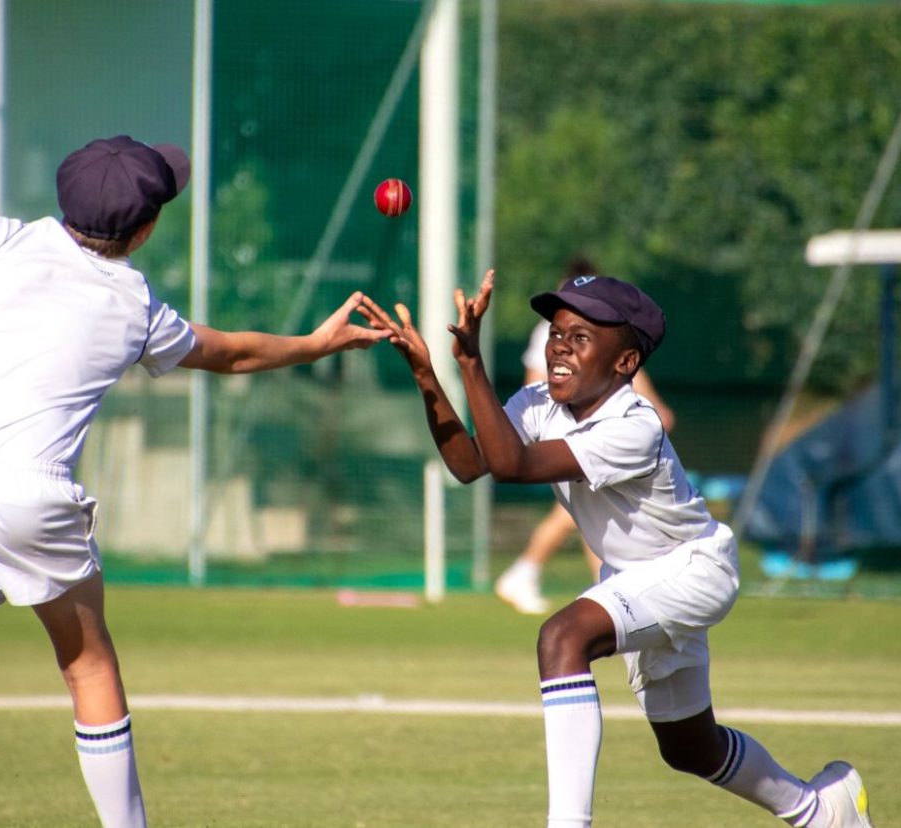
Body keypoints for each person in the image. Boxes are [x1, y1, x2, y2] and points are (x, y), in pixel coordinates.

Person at [0, 129, 389, 828]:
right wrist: (316, 345)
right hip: (31, 491)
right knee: (89, 667)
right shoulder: (136, 307)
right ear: (145, 230)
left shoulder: (3, 241)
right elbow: (230, 353)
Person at [360, 271, 872, 828]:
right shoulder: (538, 404)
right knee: (688, 747)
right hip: (633, 578)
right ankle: (818, 811)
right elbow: (471, 464)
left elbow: (512, 467)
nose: (559, 345)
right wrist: (425, 374)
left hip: (693, 570)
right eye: (556, 332)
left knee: (562, 637)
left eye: (581, 338)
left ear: (624, 363)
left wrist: (470, 364)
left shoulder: (634, 426)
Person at [495, 256, 675, 615]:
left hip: (598, 427)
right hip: (566, 429)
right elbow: (537, 381)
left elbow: (620, 369)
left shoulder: (607, 341)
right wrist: (537, 416)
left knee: (597, 515)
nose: (562, 342)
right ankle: (525, 571)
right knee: (574, 516)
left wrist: (654, 405)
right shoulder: (553, 338)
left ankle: (601, 588)